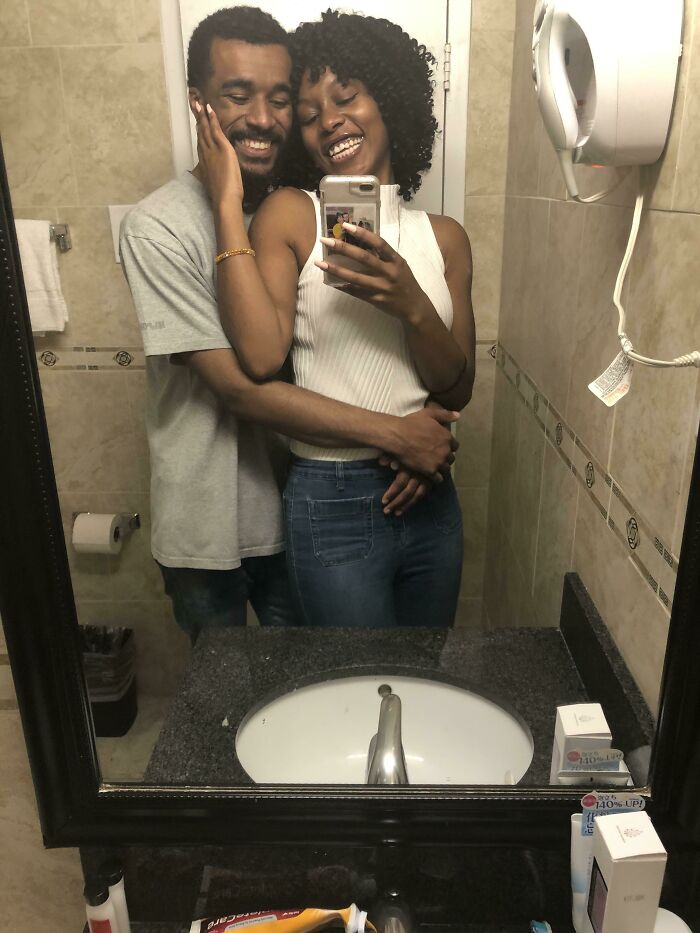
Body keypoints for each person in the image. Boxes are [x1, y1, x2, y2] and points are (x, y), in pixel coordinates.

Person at [120, 7, 459, 643]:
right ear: (199, 106)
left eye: (281, 101)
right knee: (229, 706)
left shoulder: (296, 211)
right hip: (210, 522)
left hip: (294, 501)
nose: (263, 118)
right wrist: (400, 435)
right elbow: (244, 385)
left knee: (316, 702)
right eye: (237, 95)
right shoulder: (160, 227)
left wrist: (427, 426)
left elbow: (391, 366)